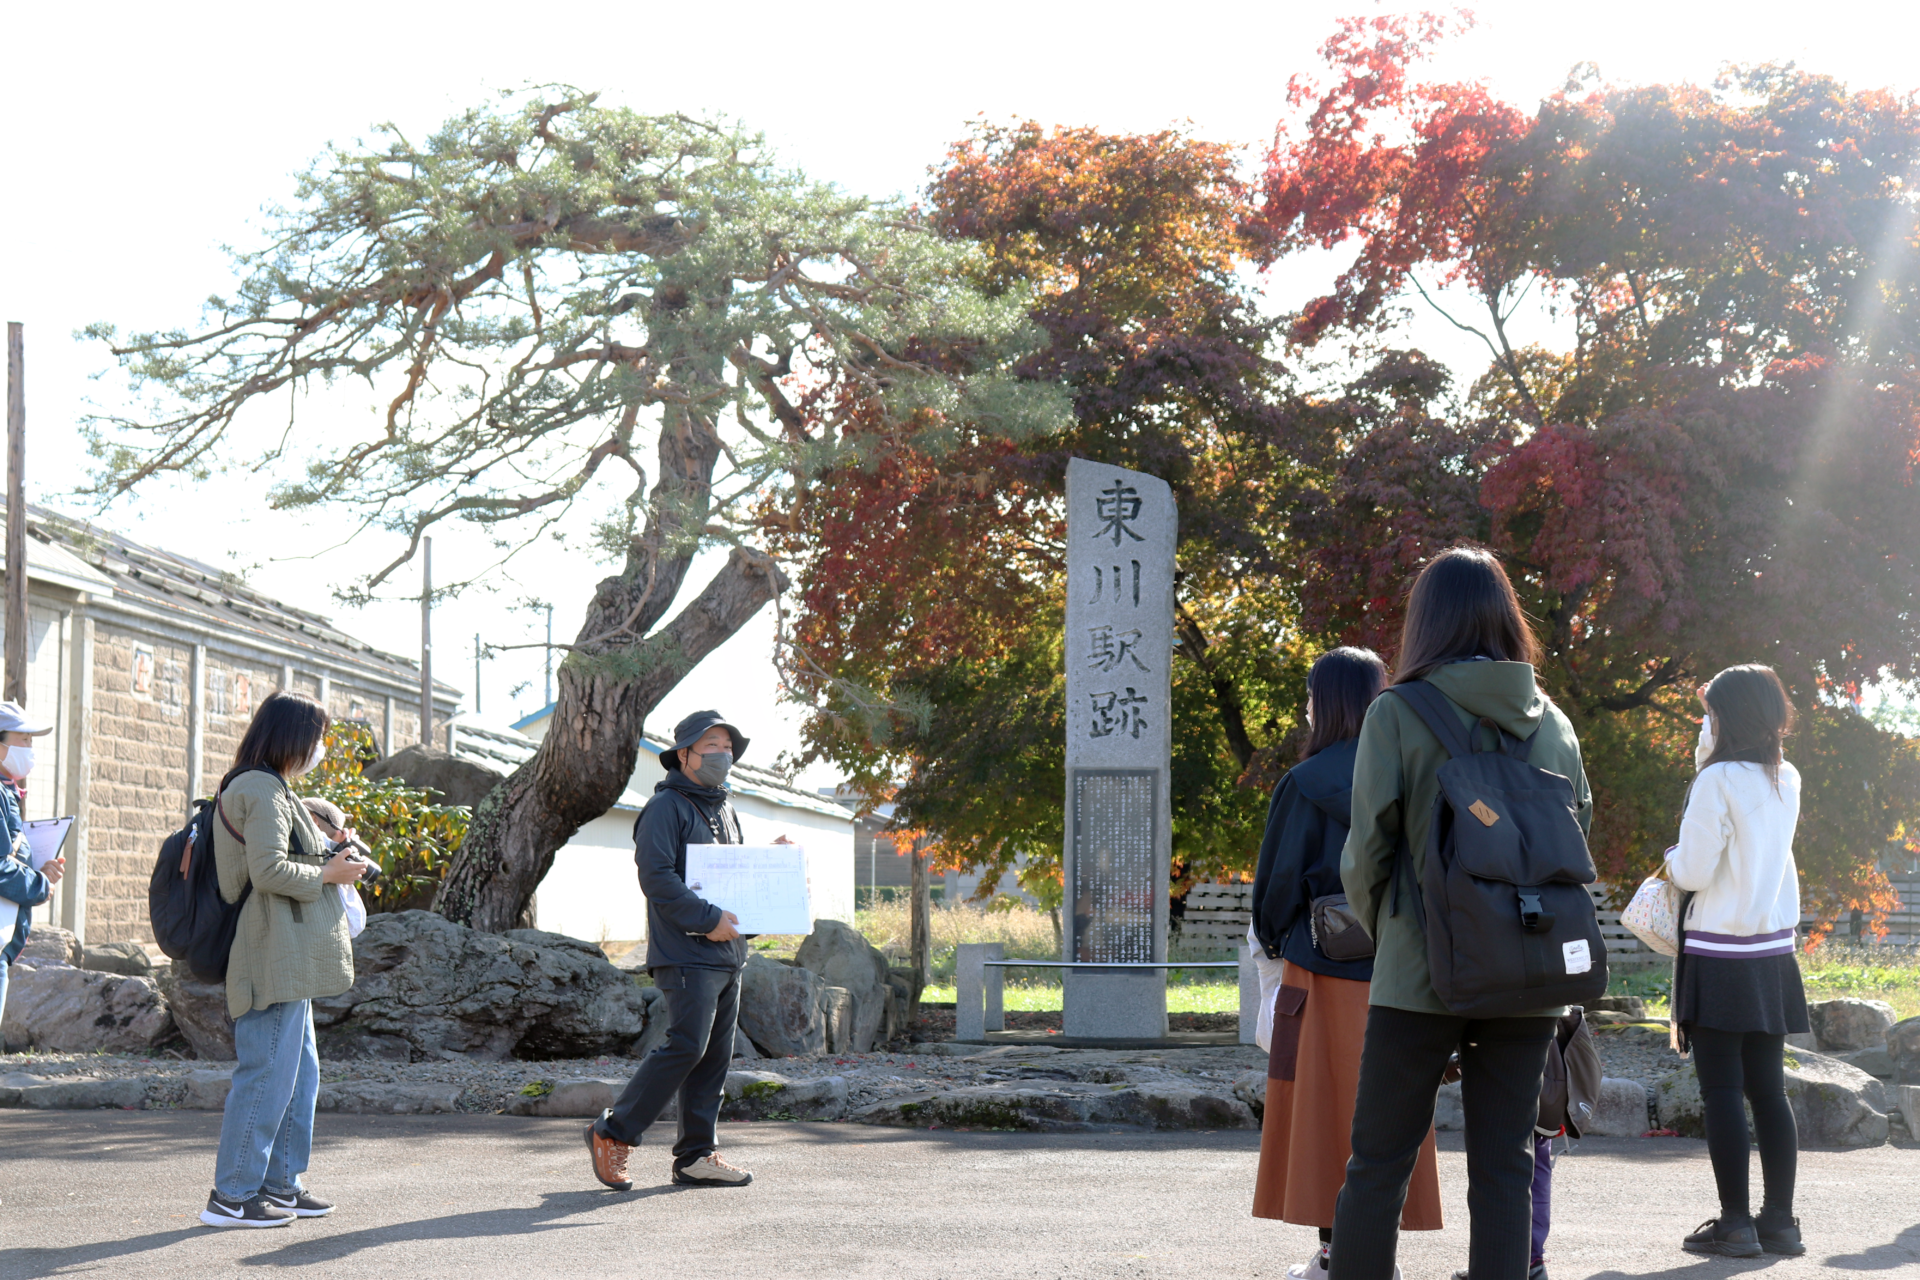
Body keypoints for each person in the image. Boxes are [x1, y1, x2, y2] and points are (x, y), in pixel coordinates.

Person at [1331, 546, 1593, 1280]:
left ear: (1427, 623)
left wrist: (1395, 939)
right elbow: (1575, 843)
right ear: (1508, 618)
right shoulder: (1556, 725)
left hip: (1420, 971)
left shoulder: (1397, 712)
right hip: (1527, 973)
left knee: (1378, 1167)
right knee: (1506, 1168)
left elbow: (1366, 854)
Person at [1251, 648, 1441, 1279]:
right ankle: (1374, 1252)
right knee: (1390, 1111)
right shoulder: (1410, 769)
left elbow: (1275, 890)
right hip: (1400, 965)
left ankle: (1336, 1257)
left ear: (1323, 702)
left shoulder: (1302, 784)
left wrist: (1278, 947)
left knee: (1321, 1115)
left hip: (1320, 965)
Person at [203, 692, 368, 1228]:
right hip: (269, 949)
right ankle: (231, 1196)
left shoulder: (268, 786)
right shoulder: (260, 788)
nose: (321, 748)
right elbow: (269, 870)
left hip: (285, 951)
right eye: (318, 736)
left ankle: (280, 1184)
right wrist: (328, 874)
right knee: (267, 1072)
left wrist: (333, 859)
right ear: (294, 736)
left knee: (298, 1074)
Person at [1664, 665, 1807, 1259]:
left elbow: (1692, 871)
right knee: (1768, 1092)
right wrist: (1712, 719)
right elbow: (1721, 761)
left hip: (1719, 953)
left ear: (1726, 716)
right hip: (1771, 951)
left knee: (1722, 1090)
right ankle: (1779, 1222)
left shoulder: (1715, 779)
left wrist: (1669, 860)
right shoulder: (1786, 776)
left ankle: (1734, 1223)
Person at [586, 710, 757, 1192]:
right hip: (686, 952)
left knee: (713, 1057)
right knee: (686, 1045)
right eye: (711, 747)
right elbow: (657, 879)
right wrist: (708, 920)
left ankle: (696, 1155)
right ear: (683, 754)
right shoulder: (665, 808)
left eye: (728, 747)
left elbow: (734, 879)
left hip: (728, 955)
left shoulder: (724, 808)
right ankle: (612, 1131)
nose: (723, 755)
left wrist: (770, 890)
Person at [0, 701, 64, 1026]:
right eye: (22, 739)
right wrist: (40, 885)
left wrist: (38, 871)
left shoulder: (6, 791)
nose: (29, 747)